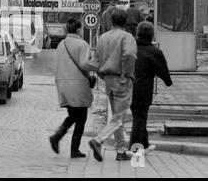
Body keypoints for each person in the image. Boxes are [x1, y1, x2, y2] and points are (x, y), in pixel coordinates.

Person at [89, 9, 137, 162]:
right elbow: (129, 54)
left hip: (107, 79)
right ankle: (98, 140)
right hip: (121, 79)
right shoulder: (126, 37)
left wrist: (101, 74)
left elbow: (96, 58)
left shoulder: (103, 37)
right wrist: (126, 73)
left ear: (111, 21)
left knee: (117, 117)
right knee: (119, 117)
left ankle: (121, 150)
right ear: (125, 22)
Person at [49, 18, 98, 158]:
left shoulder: (61, 44)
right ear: (78, 29)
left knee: (73, 115)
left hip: (63, 84)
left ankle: (60, 138)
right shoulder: (82, 44)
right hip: (78, 84)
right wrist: (97, 66)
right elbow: (84, 64)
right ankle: (70, 146)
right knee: (81, 117)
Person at [129, 21, 172, 153]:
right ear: (152, 35)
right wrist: (167, 80)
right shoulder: (155, 52)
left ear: (138, 33)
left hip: (127, 87)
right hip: (143, 90)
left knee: (138, 116)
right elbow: (163, 71)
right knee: (140, 118)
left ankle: (145, 144)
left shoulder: (131, 48)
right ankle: (134, 148)